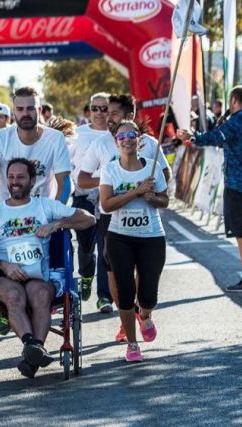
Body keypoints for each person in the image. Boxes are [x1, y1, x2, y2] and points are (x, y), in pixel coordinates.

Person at [0, 158, 95, 378]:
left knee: (40, 295)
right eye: (11, 177)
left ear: (32, 180)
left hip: (37, 274)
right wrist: (5, 266)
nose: (15, 182)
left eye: (20, 177)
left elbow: (89, 219)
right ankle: (32, 346)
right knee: (14, 294)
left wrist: (58, 224)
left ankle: (33, 352)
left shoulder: (45, 206)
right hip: (5, 275)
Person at [77, 94, 171, 322]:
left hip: (146, 220)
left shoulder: (149, 144)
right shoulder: (100, 144)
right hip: (112, 217)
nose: (108, 118)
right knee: (116, 273)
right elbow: (82, 179)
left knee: (142, 270)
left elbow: (164, 174)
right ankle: (125, 318)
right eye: (107, 113)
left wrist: (152, 191)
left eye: (114, 114)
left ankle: (142, 311)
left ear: (129, 116)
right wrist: (109, 183)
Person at [177, 86, 242, 292]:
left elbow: (214, 138)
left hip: (237, 181)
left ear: (234, 99)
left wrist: (192, 136)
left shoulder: (237, 121)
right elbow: (229, 138)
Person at [100, 120, 168, 362]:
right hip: (120, 237)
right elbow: (106, 205)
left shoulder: (152, 167)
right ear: (116, 142)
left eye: (132, 134)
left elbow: (164, 201)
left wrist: (151, 196)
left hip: (151, 236)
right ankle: (132, 343)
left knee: (148, 294)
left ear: (139, 139)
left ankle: (146, 315)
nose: (127, 139)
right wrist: (135, 192)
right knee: (126, 292)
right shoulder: (110, 170)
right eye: (121, 136)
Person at [0, 86, 71, 206]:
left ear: (39, 110)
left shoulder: (56, 138)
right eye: (20, 109)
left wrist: (56, 216)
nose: (25, 114)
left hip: (43, 214)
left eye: (30, 109)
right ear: (14, 112)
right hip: (7, 213)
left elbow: (64, 183)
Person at [68, 93, 111, 304]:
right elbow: (66, 164)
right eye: (96, 108)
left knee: (106, 248)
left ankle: (104, 296)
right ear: (90, 110)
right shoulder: (78, 133)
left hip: (108, 197)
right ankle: (86, 274)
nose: (100, 113)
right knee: (85, 248)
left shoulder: (116, 134)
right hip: (83, 196)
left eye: (104, 109)